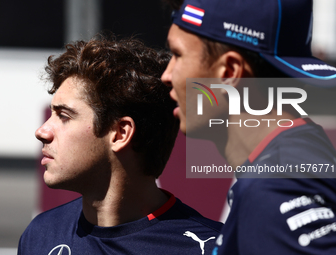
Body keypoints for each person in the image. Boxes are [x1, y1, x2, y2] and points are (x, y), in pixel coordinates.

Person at [17, 35, 222, 255]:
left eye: (64, 116)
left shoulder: (213, 247)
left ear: (120, 133)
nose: (42, 132)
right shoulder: (41, 235)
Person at [161, 0, 336, 254]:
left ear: (230, 72)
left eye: (178, 55)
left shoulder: (273, 189)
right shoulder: (296, 157)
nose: (166, 75)